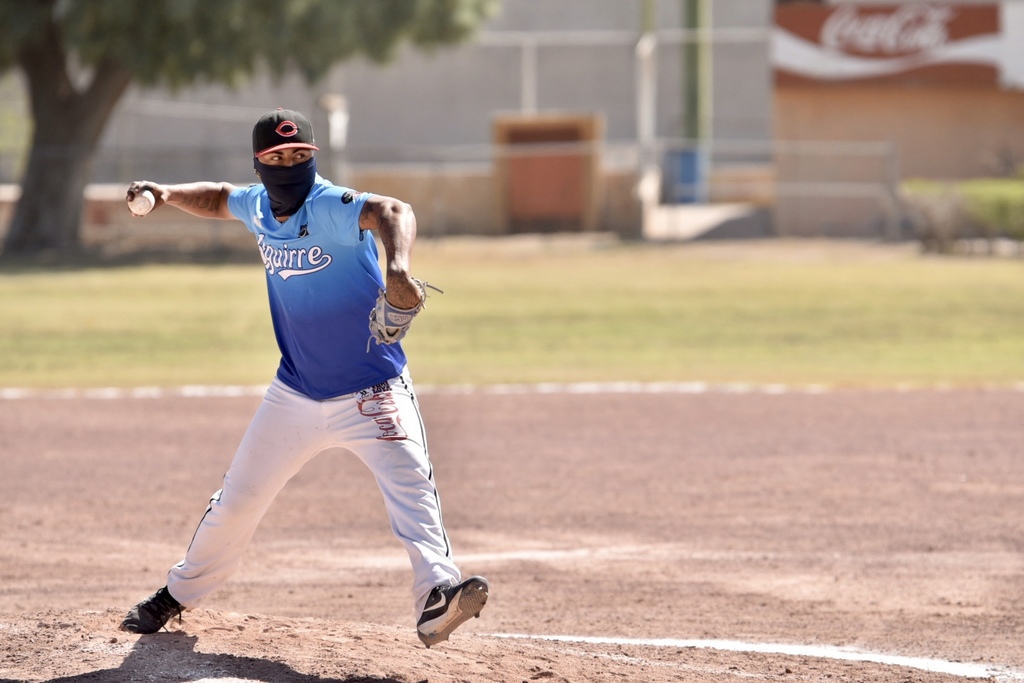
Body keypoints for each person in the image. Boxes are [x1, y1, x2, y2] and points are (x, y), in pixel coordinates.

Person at [118, 108, 488, 648]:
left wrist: (398, 268)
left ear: (313, 158)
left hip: (374, 392)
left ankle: (437, 597)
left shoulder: (330, 205)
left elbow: (393, 209)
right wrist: (167, 192)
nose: (289, 164)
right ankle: (176, 595)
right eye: (278, 156)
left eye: (299, 155)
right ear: (260, 163)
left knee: (413, 492)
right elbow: (220, 198)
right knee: (238, 500)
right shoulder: (256, 205)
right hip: (295, 393)